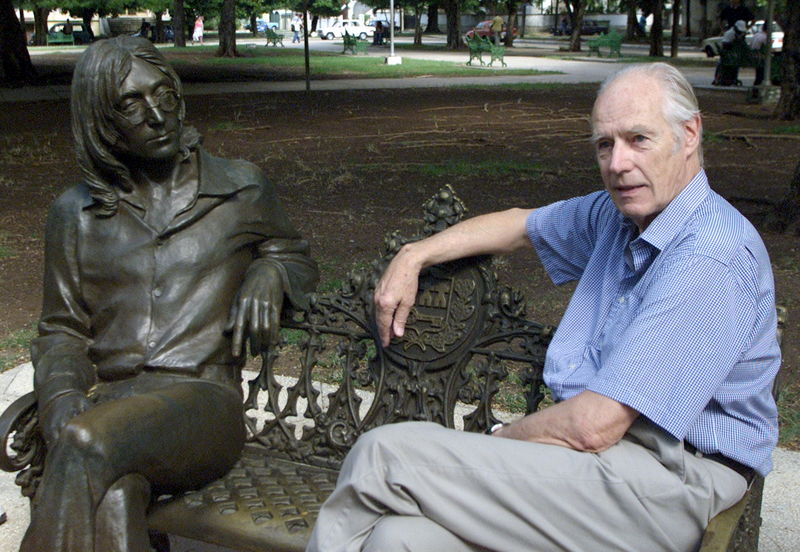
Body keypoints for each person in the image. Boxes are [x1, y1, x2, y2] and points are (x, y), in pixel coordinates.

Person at [306, 62, 780, 552]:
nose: (617, 164)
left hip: (674, 481)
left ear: (688, 134)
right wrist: (415, 254)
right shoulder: (616, 217)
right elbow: (518, 225)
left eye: (638, 139)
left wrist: (498, 440)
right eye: (604, 144)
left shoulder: (711, 255)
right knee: (400, 539)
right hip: (599, 469)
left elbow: (594, 425)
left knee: (383, 456)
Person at [19, 36, 318, 552]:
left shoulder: (240, 189)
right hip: (108, 403)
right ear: (100, 121)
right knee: (114, 496)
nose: (157, 116)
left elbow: (296, 257)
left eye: (164, 95)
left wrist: (270, 271)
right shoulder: (75, 215)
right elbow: (61, 330)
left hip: (202, 404)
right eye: (130, 104)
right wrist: (62, 397)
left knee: (86, 443)